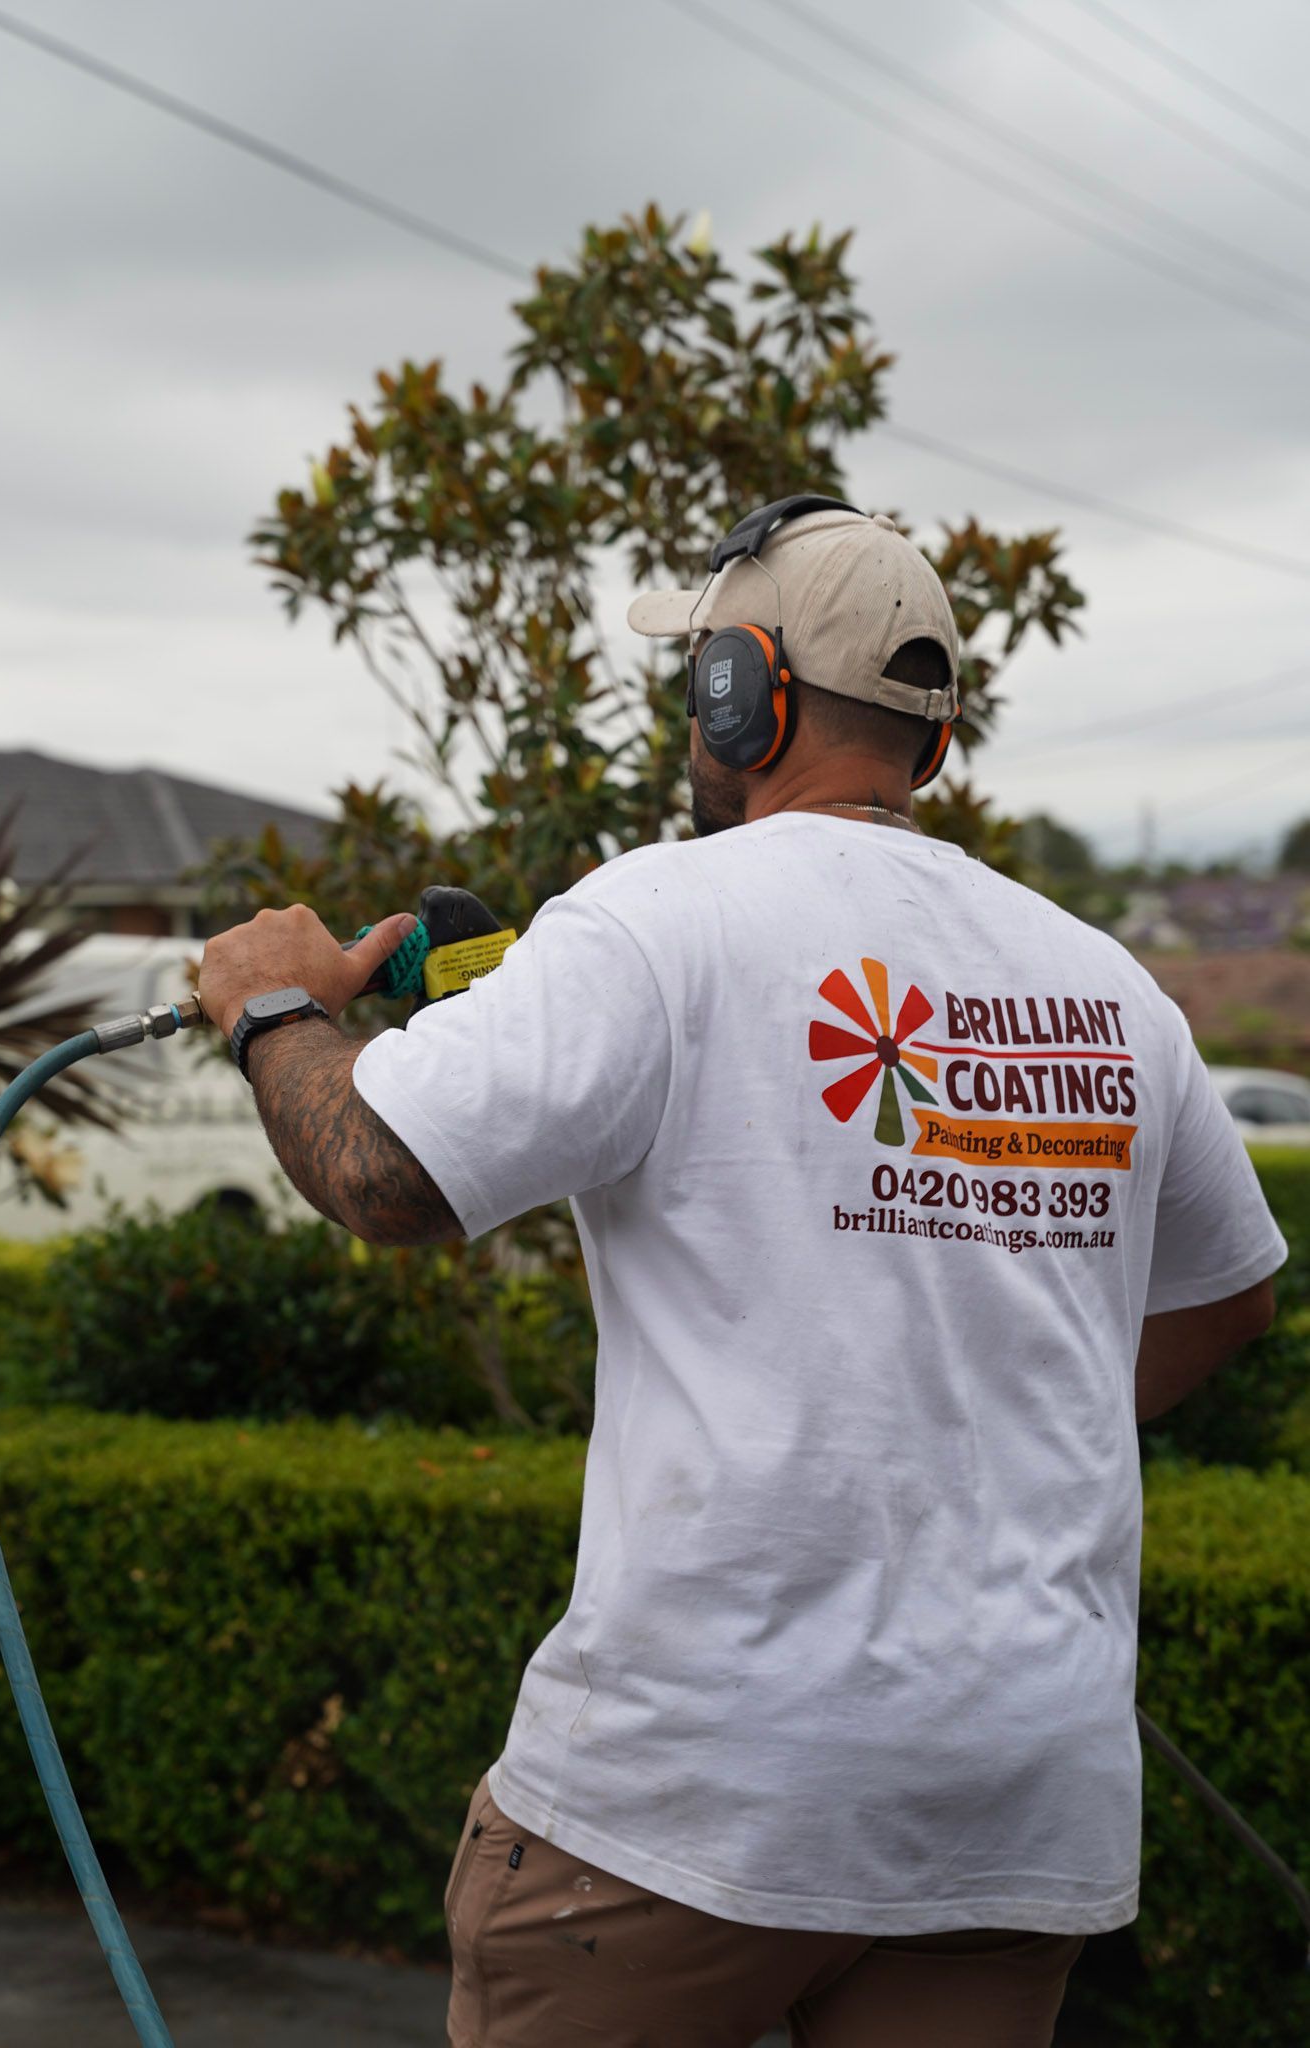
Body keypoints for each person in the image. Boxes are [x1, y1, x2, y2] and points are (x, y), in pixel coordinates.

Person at [198, 500, 1287, 2048]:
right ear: (934, 739)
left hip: (695, 1796)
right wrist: (975, 1438)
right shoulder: (1107, 984)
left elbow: (377, 1172)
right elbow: (1226, 1295)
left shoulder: (659, 916)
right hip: (1010, 1805)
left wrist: (269, 1013)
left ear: (740, 692)